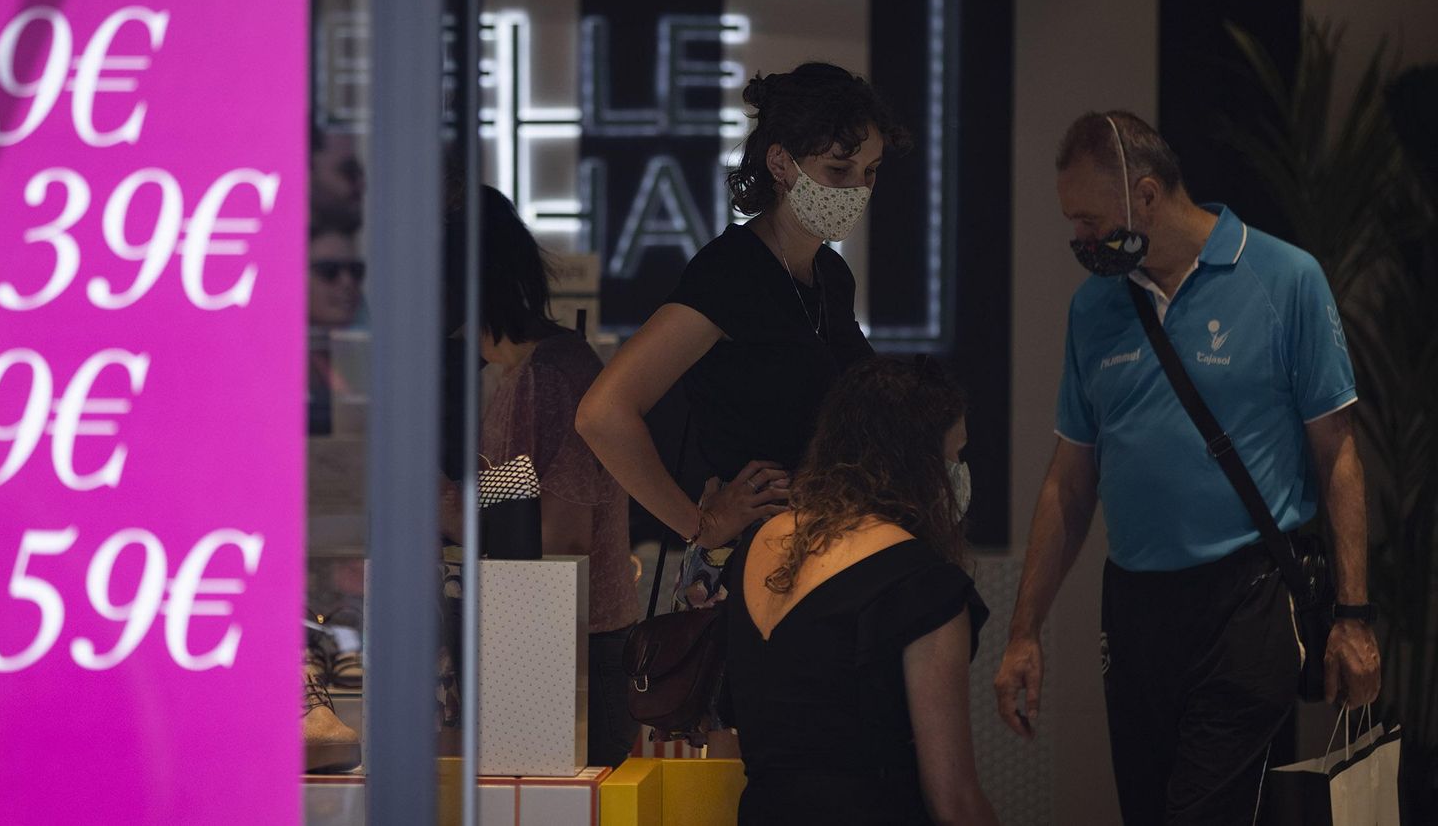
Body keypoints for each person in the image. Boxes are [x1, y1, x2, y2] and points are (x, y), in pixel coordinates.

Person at [992, 111, 1382, 825]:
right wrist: (1023, 632)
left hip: (1249, 596)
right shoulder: (1094, 308)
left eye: (1087, 218)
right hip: (1136, 608)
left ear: (1145, 195)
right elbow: (1069, 481)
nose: (1077, 238)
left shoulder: (1286, 278)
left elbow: (1339, 455)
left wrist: (1353, 617)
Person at [577, 60, 905, 615]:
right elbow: (602, 414)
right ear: (781, 162)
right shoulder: (731, 272)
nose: (858, 189)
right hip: (751, 568)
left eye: (871, 171)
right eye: (839, 170)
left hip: (822, 554)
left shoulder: (830, 275)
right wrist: (699, 523)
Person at [724, 356, 997, 826]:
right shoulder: (923, 585)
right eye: (955, 455)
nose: (959, 470)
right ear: (919, 463)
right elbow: (954, 801)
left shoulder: (757, 546)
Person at [443, 186, 640, 767]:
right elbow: (522, 512)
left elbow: (554, 541)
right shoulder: (529, 372)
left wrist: (443, 506)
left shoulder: (547, 378)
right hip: (558, 641)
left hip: (569, 649)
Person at [306, 216, 365, 435]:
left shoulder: (357, 357)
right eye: (329, 271)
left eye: (356, 271)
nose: (347, 283)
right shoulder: (270, 365)